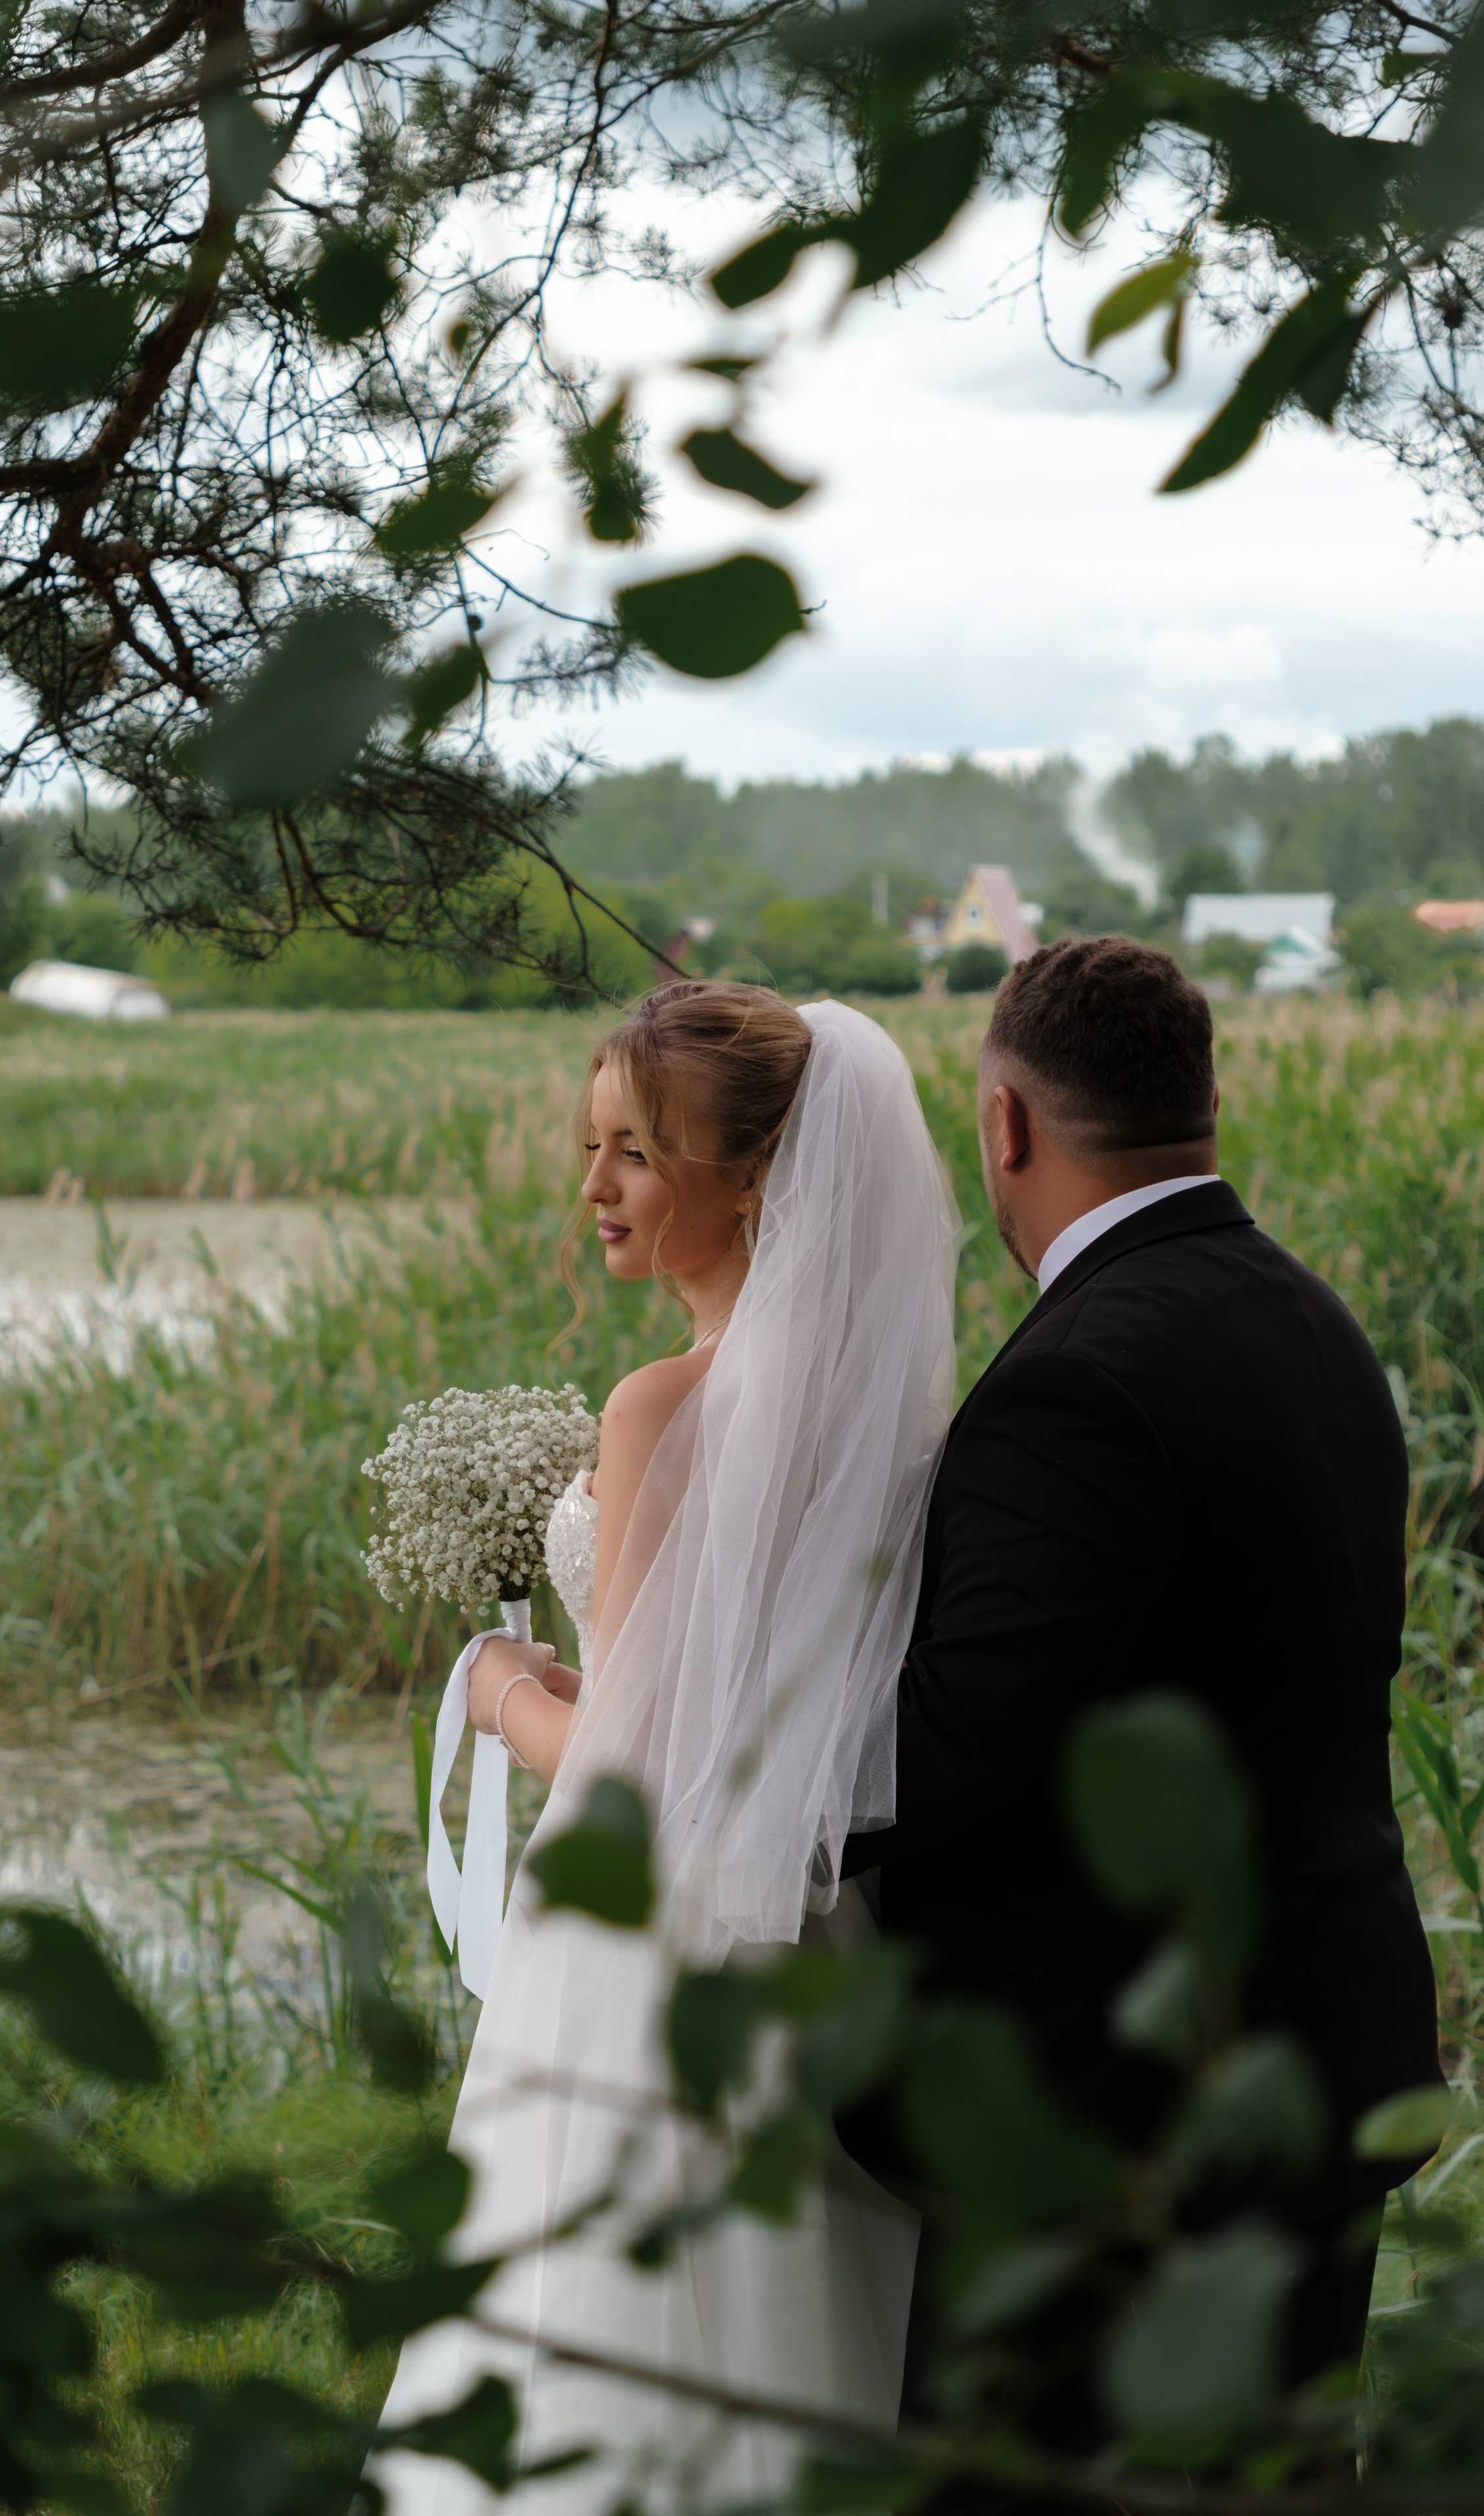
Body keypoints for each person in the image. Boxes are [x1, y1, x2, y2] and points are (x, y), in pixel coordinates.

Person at [373, 980, 960, 2516]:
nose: (594, 1190)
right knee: (775, 2315)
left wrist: (499, 1692)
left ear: (754, 1173)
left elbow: (625, 1780)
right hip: (815, 1931)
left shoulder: (662, 1407)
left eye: (636, 1153)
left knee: (579, 2316)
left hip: (646, 1945)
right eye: (591, 1148)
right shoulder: (893, 1416)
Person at [839, 934, 1441, 2423]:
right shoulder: (1310, 1324)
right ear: (1200, 1099)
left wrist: (702, 1750)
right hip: (1324, 2046)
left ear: (1006, 1125)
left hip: (1125, 2116)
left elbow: (954, 1762)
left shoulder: (1073, 1383)